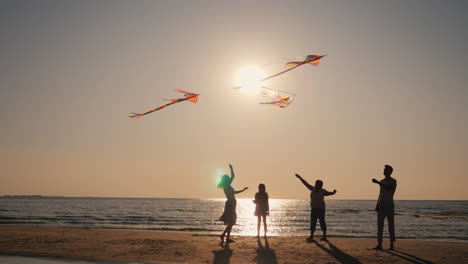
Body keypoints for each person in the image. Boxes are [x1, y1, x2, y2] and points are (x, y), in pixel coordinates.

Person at [295, 173, 336, 242]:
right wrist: (299, 177)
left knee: (322, 222)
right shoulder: (312, 189)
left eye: (321, 185)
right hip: (314, 209)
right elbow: (305, 183)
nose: (320, 186)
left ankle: (324, 236)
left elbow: (328, 193)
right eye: (318, 184)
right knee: (313, 223)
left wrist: (333, 192)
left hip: (321, 209)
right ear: (316, 184)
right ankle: (311, 236)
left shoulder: (323, 191)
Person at [218, 164, 248, 243]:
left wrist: (242, 190)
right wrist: (231, 168)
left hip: (232, 203)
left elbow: (234, 192)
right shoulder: (227, 186)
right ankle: (225, 236)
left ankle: (225, 236)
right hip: (231, 203)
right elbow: (233, 176)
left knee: (231, 221)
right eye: (228, 178)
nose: (229, 179)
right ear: (226, 180)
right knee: (231, 221)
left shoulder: (227, 186)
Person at [372, 164, 397, 250]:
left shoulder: (393, 181)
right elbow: (380, 193)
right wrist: (377, 204)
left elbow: (388, 188)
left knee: (391, 225)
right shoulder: (382, 181)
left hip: (389, 205)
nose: (384, 171)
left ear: (390, 172)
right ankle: (379, 244)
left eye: (386, 170)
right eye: (384, 170)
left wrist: (378, 182)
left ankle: (391, 245)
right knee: (380, 225)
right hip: (381, 205)